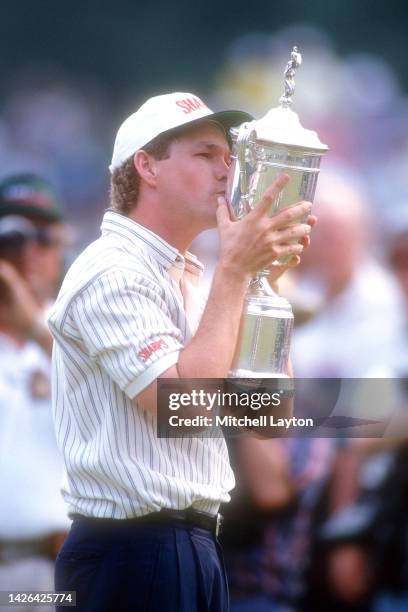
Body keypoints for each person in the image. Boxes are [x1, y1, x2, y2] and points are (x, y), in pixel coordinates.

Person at [48, 91, 315, 612]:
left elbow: (267, 417)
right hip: (131, 551)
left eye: (229, 157)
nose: (227, 172)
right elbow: (185, 407)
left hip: (185, 546)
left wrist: (263, 287)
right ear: (146, 166)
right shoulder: (111, 270)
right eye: (205, 154)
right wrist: (237, 272)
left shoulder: (192, 275)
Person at [0, 174, 69, 610]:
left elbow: (117, 392)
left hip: (45, 565)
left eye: (42, 239)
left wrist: (34, 328)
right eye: (13, 237)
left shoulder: (78, 328)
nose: (28, 254)